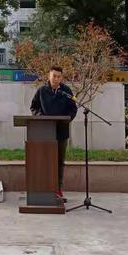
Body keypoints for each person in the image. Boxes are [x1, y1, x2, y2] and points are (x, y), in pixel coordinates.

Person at [30, 65, 77, 200]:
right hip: (45, 131)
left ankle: (58, 188)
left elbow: (73, 108)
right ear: (49, 76)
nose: (55, 79)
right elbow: (34, 107)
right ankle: (45, 187)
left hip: (61, 131)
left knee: (60, 161)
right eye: (53, 76)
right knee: (45, 160)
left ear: (61, 78)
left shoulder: (66, 91)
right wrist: (41, 117)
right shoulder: (42, 91)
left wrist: (68, 118)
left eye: (58, 76)